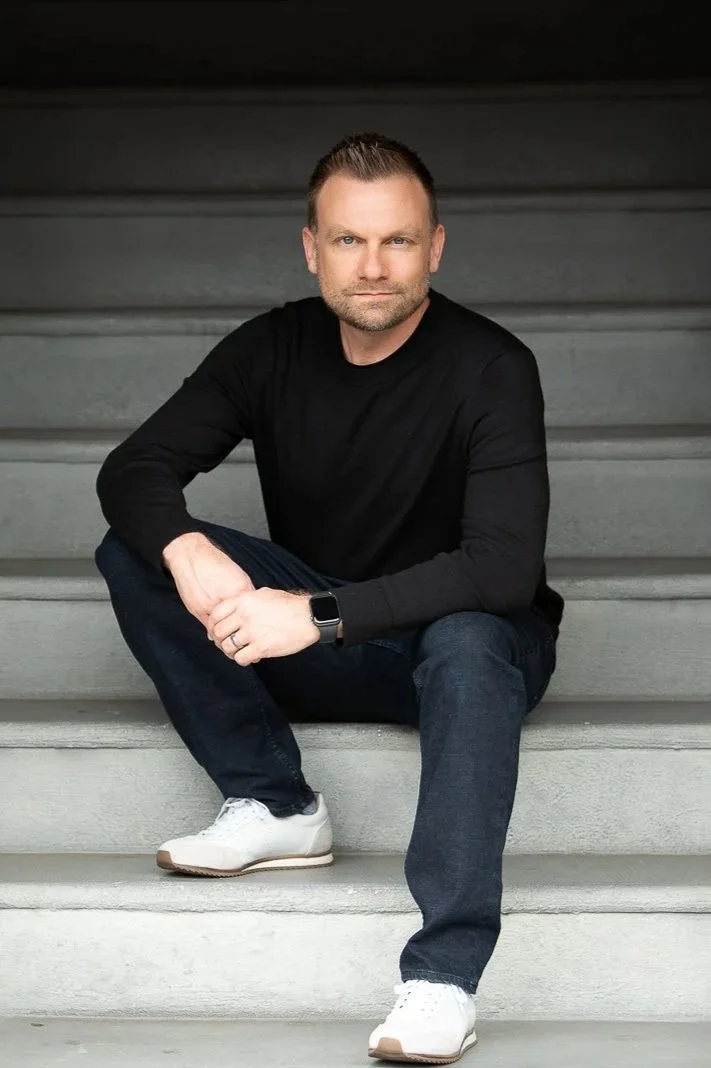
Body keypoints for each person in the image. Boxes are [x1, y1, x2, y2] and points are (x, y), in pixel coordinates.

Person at [94, 131, 564, 1065]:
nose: (374, 266)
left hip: (459, 650)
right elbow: (135, 468)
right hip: (324, 636)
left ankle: (442, 978)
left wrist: (313, 616)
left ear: (435, 245)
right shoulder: (270, 348)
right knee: (137, 547)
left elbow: (503, 566)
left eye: (397, 241)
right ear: (312, 248)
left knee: (471, 638)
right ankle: (274, 804)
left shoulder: (490, 367)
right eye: (349, 241)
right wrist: (187, 548)